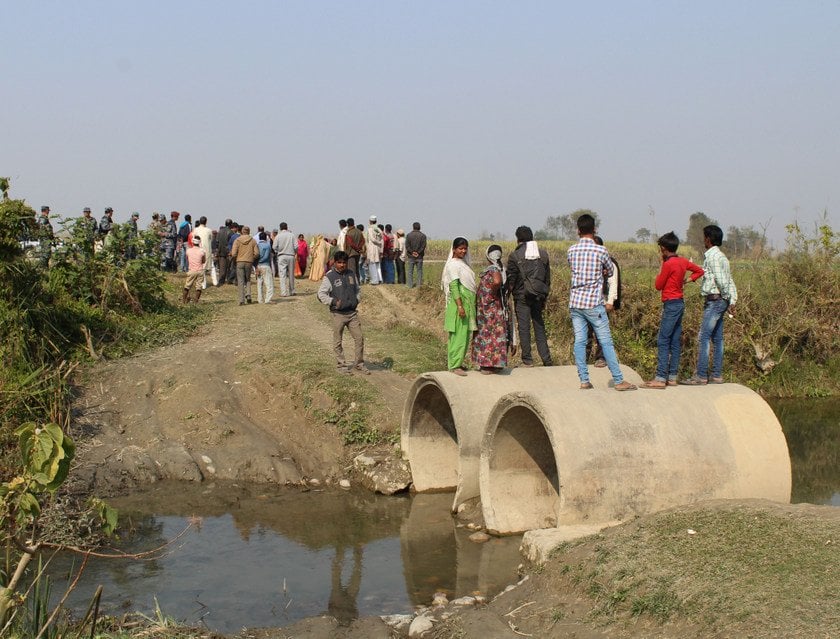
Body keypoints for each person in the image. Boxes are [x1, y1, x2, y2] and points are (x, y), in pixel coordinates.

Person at [567, 214, 636, 391]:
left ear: (578, 230)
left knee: (580, 341)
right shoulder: (601, 251)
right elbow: (610, 270)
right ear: (595, 229)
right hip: (593, 303)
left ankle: (584, 380)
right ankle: (619, 380)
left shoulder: (571, 250)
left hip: (575, 303)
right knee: (605, 342)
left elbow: (573, 268)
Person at [641, 232, 705, 389]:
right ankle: (672, 377)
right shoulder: (682, 261)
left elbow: (658, 285)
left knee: (663, 339)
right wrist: (687, 281)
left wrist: (662, 265)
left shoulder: (669, 264)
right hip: (680, 303)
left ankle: (661, 377)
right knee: (675, 341)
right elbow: (700, 271)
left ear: (663, 249)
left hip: (670, 304)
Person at [681, 225, 738, 385]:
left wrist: (726, 297)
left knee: (704, 336)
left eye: (704, 237)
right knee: (718, 338)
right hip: (721, 300)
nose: (703, 240)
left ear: (708, 239)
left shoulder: (712, 257)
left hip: (715, 301)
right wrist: (731, 300)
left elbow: (721, 281)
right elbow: (729, 279)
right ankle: (716, 375)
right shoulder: (722, 257)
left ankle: (701, 375)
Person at [316, 250, 370, 374]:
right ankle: (341, 366)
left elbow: (357, 289)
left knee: (359, 338)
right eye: (339, 262)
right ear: (334, 263)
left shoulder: (351, 274)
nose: (342, 265)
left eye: (344, 262)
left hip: (352, 313)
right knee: (338, 341)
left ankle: (359, 364)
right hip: (338, 315)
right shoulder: (329, 277)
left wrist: (357, 299)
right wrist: (334, 302)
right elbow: (320, 294)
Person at [506, 226, 553, 367]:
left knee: (524, 327)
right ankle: (547, 359)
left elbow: (511, 280)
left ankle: (527, 360)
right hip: (539, 296)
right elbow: (547, 279)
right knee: (539, 326)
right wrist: (544, 297)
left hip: (522, 297)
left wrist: (507, 295)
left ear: (518, 239)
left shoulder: (515, 256)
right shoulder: (543, 254)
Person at [471, 244, 509, 374]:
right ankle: (496, 364)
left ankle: (487, 365)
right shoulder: (498, 267)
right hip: (490, 307)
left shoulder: (493, 269)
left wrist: (491, 294)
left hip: (489, 308)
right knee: (495, 334)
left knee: (487, 333)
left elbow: (497, 282)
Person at [442, 237, 477, 376]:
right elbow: (454, 286)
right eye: (460, 248)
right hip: (459, 305)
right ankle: (455, 365)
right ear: (454, 249)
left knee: (462, 336)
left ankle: (456, 363)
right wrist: (460, 306)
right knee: (459, 336)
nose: (463, 251)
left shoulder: (463, 264)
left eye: (465, 248)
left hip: (466, 303)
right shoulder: (453, 265)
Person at [588, 235, 620, 367]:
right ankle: (583, 358)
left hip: (602, 301)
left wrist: (610, 301)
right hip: (588, 302)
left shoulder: (609, 263)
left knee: (601, 331)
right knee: (586, 332)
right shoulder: (588, 262)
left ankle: (601, 357)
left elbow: (613, 283)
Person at [231, 225, 259, 305]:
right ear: (249, 232)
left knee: (240, 281)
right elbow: (257, 253)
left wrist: (237, 257)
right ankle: (249, 295)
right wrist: (251, 257)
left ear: (242, 232)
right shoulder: (253, 241)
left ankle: (241, 300)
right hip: (249, 262)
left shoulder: (237, 240)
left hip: (239, 261)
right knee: (248, 279)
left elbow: (233, 254)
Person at [273, 222, 296, 296]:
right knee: (291, 274)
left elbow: (274, 247)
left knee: (282, 275)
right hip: (291, 255)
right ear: (287, 227)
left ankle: (283, 292)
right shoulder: (292, 235)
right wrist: (294, 252)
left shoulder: (278, 236)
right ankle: (292, 291)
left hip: (281, 256)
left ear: (280, 228)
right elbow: (296, 246)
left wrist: (278, 251)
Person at [182, 236, 206, 304]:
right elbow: (203, 261)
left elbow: (187, 259)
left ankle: (184, 301)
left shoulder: (188, 251)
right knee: (198, 287)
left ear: (193, 242)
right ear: (199, 242)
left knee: (187, 286)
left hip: (191, 270)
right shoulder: (202, 251)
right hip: (200, 270)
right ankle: (196, 301)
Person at [192, 216, 213, 287]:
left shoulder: (195, 230)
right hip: (206, 250)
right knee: (203, 267)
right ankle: (203, 284)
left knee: (198, 266)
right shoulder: (209, 230)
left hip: (197, 249)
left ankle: (201, 283)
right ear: (206, 222)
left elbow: (193, 239)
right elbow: (211, 239)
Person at [405, 222, 427, 288]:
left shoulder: (409, 235)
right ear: (419, 227)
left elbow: (407, 246)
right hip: (419, 256)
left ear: (413, 227)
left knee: (410, 271)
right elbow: (423, 246)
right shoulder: (423, 236)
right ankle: (419, 285)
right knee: (419, 271)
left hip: (411, 256)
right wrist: (418, 252)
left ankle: (409, 285)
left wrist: (412, 252)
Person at [255, 231, 274, 303]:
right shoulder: (267, 245)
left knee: (259, 283)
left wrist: (256, 265)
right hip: (265, 265)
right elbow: (266, 256)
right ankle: (268, 299)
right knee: (269, 284)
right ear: (266, 238)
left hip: (258, 266)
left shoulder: (257, 245)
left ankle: (260, 299)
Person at [365, 215, 383, 284]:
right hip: (377, 247)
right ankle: (379, 279)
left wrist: (377, 242)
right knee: (377, 263)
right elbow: (381, 237)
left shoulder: (370, 229)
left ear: (370, 221)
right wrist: (379, 243)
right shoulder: (378, 229)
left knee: (372, 263)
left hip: (372, 247)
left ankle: (375, 280)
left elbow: (372, 239)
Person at [216, 219, 232, 286]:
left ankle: (221, 280)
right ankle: (229, 280)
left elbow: (217, 242)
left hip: (221, 251)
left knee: (222, 268)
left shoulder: (220, 231)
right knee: (229, 267)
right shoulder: (231, 232)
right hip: (228, 252)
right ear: (231, 224)